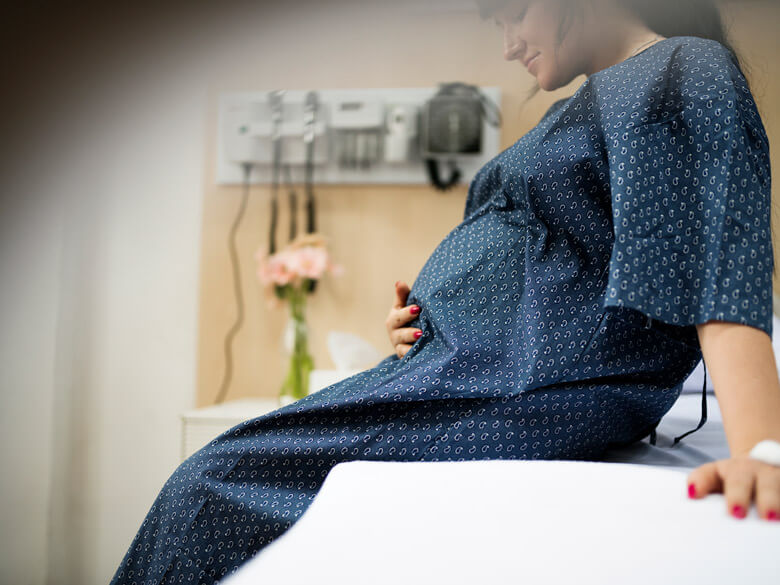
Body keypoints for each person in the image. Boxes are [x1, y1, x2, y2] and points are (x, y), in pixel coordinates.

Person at [111, 0, 780, 583]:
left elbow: (718, 253)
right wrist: (430, 313)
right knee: (210, 485)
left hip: (504, 382)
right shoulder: (598, 98)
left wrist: (761, 451)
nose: (509, 40)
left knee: (206, 488)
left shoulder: (680, 68)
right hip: (468, 368)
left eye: (515, 12)